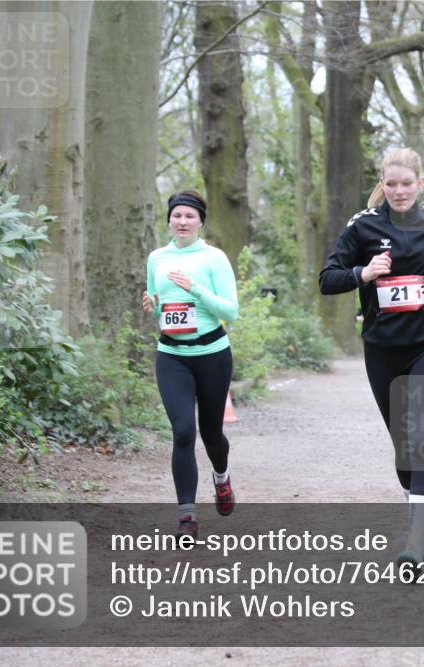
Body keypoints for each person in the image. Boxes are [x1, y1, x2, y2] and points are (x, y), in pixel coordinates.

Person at [319, 147, 424, 566]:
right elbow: (327, 279)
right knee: (405, 446)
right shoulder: (362, 227)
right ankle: (421, 520)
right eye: (392, 184)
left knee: (422, 440)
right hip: (383, 349)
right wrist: (363, 274)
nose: (399, 191)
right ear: (382, 184)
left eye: (407, 184)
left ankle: (418, 540)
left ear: (420, 184)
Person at [143, 190, 239, 539]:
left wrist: (196, 288)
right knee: (183, 431)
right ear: (169, 220)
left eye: (189, 216)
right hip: (172, 356)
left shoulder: (214, 258)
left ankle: (222, 477)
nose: (182, 222)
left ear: (200, 222)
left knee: (212, 433)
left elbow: (231, 311)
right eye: (177, 216)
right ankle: (187, 516)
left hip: (212, 355)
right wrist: (152, 307)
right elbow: (159, 306)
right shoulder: (156, 258)